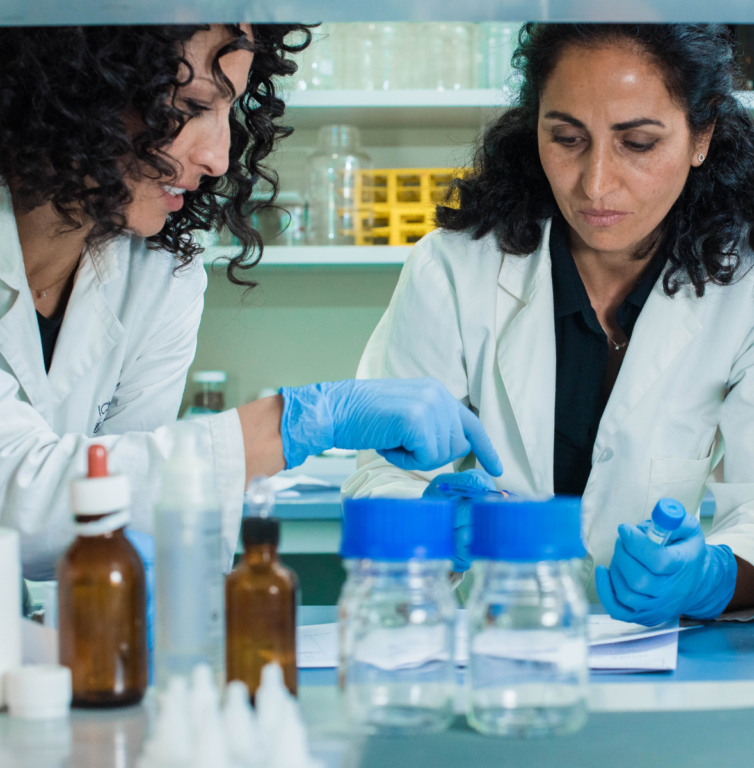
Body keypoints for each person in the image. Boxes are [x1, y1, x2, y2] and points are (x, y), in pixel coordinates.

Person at [344, 23, 754, 625]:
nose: (596, 184)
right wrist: (432, 523)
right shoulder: (454, 268)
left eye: (639, 143)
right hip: (494, 638)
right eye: (568, 138)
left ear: (701, 136)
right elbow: (384, 474)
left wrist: (708, 577)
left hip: (663, 647)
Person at [0, 24, 501, 580]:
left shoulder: (160, 271)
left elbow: (140, 508)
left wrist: (418, 523)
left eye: (229, 111)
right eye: (191, 106)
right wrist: (292, 422)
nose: (218, 157)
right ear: (76, 88)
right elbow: (16, 494)